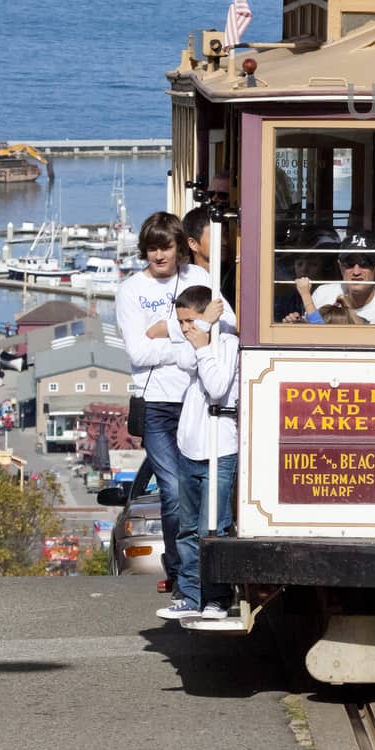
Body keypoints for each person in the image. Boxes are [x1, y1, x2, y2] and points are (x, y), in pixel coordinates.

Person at [115, 211, 222, 596]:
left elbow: (220, 325)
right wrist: (189, 336)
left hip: (198, 398)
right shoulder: (130, 290)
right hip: (157, 403)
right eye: (152, 248)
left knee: (201, 490)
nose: (158, 255)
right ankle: (179, 571)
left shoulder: (198, 278)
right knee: (174, 492)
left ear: (180, 248)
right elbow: (139, 353)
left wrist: (165, 331)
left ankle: (194, 573)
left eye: (166, 247)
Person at [158, 285, 239, 621]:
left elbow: (219, 387)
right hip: (189, 449)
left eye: (190, 320)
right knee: (188, 529)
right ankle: (191, 595)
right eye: (181, 322)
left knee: (215, 530)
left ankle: (217, 597)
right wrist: (200, 336)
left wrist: (205, 339)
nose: (185, 328)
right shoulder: (193, 344)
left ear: (207, 317)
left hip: (220, 449)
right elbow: (185, 360)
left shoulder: (229, 344)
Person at [285, 232, 375, 323]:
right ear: (340, 267)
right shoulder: (323, 294)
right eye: (349, 263)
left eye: (365, 264)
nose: (356, 272)